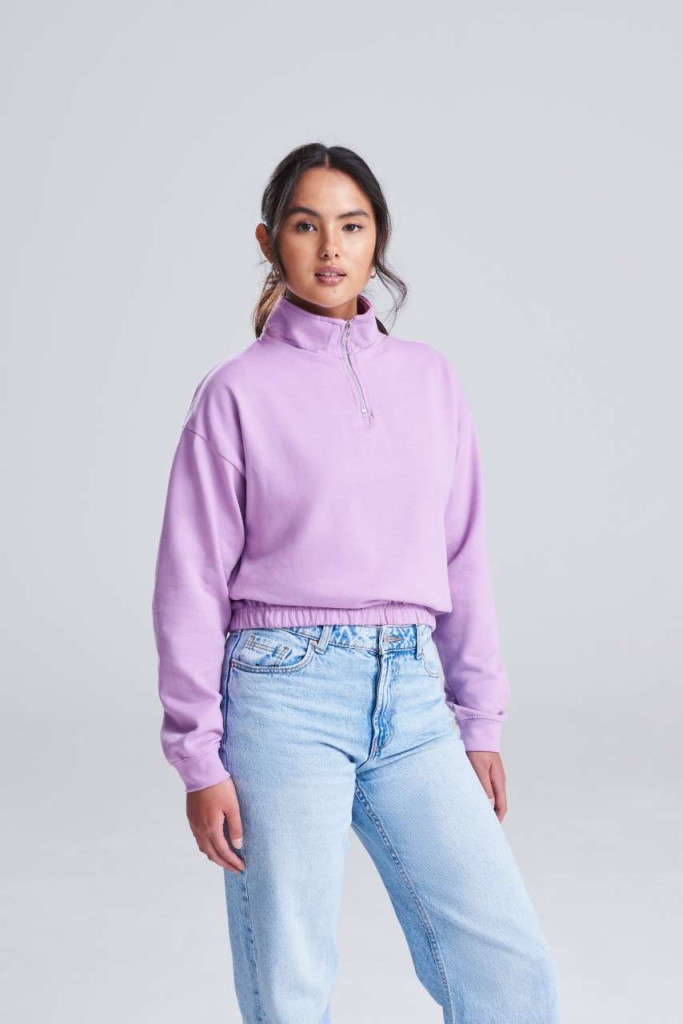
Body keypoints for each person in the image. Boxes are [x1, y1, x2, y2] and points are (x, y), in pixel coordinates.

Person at [151, 142, 560, 1023]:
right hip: (280, 696)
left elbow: (461, 553)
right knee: (291, 981)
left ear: (378, 239)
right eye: (306, 226)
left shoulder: (430, 380)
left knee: (508, 969)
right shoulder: (235, 393)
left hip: (412, 695)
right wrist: (197, 756)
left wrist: (478, 718)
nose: (330, 247)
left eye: (352, 225)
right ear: (269, 241)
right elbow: (189, 581)